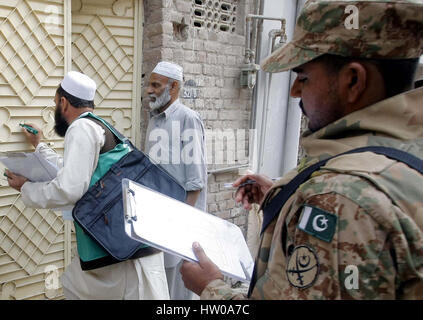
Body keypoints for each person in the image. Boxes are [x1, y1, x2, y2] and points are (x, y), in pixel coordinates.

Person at [180, 0, 423, 299]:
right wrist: (282, 197)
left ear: (353, 81)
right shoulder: (404, 154)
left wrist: (211, 288)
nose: (295, 91)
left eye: (304, 77)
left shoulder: (338, 198)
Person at [5, 71, 170, 300]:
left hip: (122, 253)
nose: (55, 110)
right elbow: (77, 170)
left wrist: (26, 188)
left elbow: (70, 188)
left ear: (63, 102)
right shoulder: (100, 126)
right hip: (132, 241)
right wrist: (40, 146)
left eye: (55, 103)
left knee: (75, 285)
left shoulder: (80, 128)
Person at [145, 61, 207, 300]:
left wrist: (180, 225)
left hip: (180, 225)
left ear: (174, 88)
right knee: (160, 291)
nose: (149, 90)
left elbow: (195, 181)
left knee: (180, 293)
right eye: (149, 84)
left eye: (155, 85)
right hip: (157, 222)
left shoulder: (188, 119)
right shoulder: (154, 120)